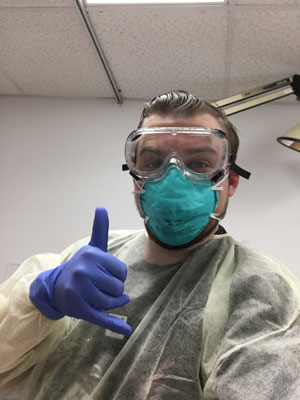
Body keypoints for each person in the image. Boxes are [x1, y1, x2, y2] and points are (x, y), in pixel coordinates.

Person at [1, 90, 300, 400]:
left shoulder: (260, 289)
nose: (173, 179)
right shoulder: (85, 259)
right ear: (136, 180)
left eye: (199, 163)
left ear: (231, 182)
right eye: (153, 162)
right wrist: (39, 298)